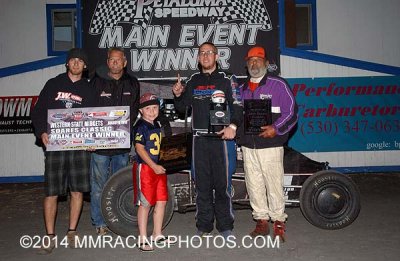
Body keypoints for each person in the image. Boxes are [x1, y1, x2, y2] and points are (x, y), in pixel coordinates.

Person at [172, 42, 242, 238]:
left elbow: (238, 106)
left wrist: (233, 126)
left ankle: (226, 227)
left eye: (209, 53)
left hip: (222, 140)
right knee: (201, 185)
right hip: (199, 140)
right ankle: (203, 225)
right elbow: (181, 107)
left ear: (217, 56)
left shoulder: (228, 79)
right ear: (197, 58)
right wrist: (178, 95)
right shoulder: (193, 80)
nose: (205, 56)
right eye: (202, 53)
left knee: (222, 185)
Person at [31, 48, 96, 254]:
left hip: (79, 146)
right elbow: (38, 110)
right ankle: (49, 236)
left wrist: (94, 139)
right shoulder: (53, 84)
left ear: (85, 66)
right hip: (56, 145)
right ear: (67, 63)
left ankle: (72, 231)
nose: (76, 63)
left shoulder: (89, 89)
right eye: (73, 60)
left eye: (80, 61)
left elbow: (95, 117)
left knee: (77, 190)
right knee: (51, 192)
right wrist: (41, 131)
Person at [238, 46, 298, 242]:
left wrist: (276, 128)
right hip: (249, 146)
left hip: (271, 145)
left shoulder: (278, 84)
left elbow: (292, 112)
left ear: (266, 63)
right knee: (253, 184)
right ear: (247, 64)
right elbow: (237, 116)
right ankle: (261, 221)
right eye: (251, 60)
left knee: (274, 183)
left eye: (258, 59)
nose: (254, 63)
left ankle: (279, 222)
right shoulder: (241, 89)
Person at [90, 47, 140, 235]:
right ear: (107, 62)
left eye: (119, 60)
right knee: (98, 185)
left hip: (122, 144)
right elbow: (89, 110)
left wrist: (123, 130)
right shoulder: (96, 82)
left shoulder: (133, 83)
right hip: (100, 145)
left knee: (119, 185)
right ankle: (100, 223)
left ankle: (117, 221)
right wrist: (91, 138)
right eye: (112, 60)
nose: (116, 63)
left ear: (125, 62)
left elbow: (134, 109)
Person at [132, 93, 174, 252]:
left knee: (162, 201)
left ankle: (157, 233)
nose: (151, 111)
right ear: (141, 111)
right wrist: (153, 165)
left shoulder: (156, 124)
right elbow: (140, 148)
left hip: (159, 168)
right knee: (145, 203)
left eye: (155, 107)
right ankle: (142, 237)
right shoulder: (141, 126)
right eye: (148, 108)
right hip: (147, 168)